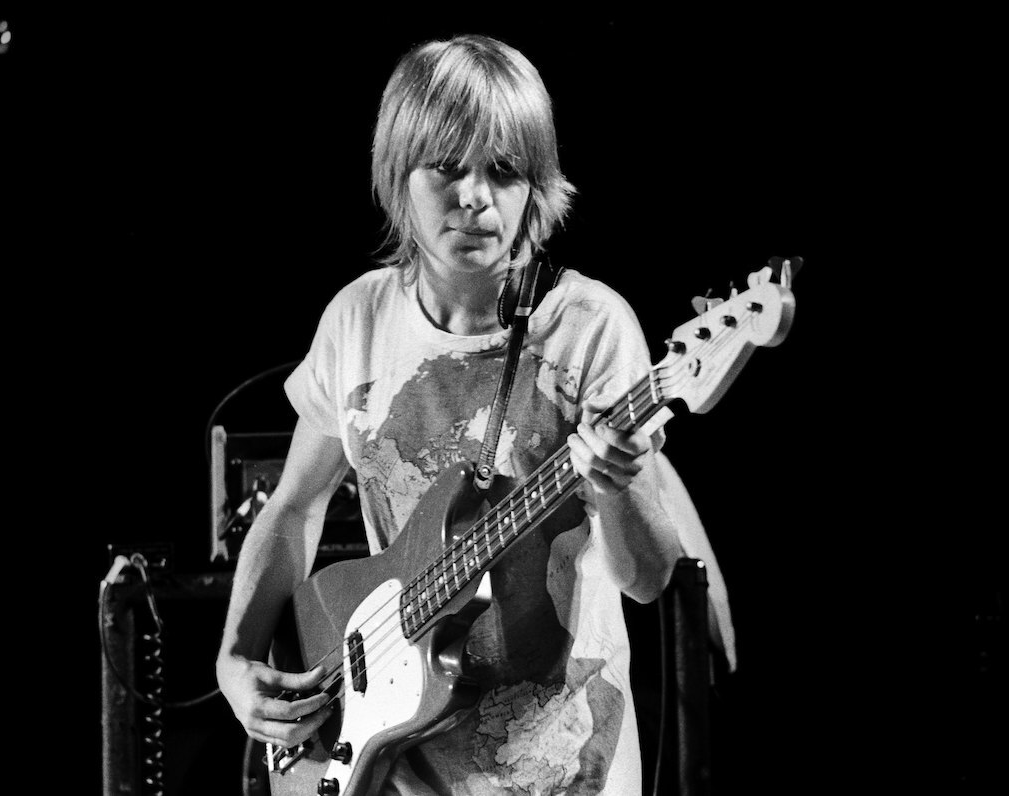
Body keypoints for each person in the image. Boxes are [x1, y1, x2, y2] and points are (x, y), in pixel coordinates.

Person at [216, 33, 734, 795]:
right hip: (392, 759)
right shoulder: (357, 319)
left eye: (503, 171)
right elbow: (294, 509)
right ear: (399, 176)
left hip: (563, 769)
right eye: (447, 168)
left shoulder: (589, 326)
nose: (474, 196)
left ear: (537, 185)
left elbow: (650, 577)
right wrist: (235, 658)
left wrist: (615, 484)